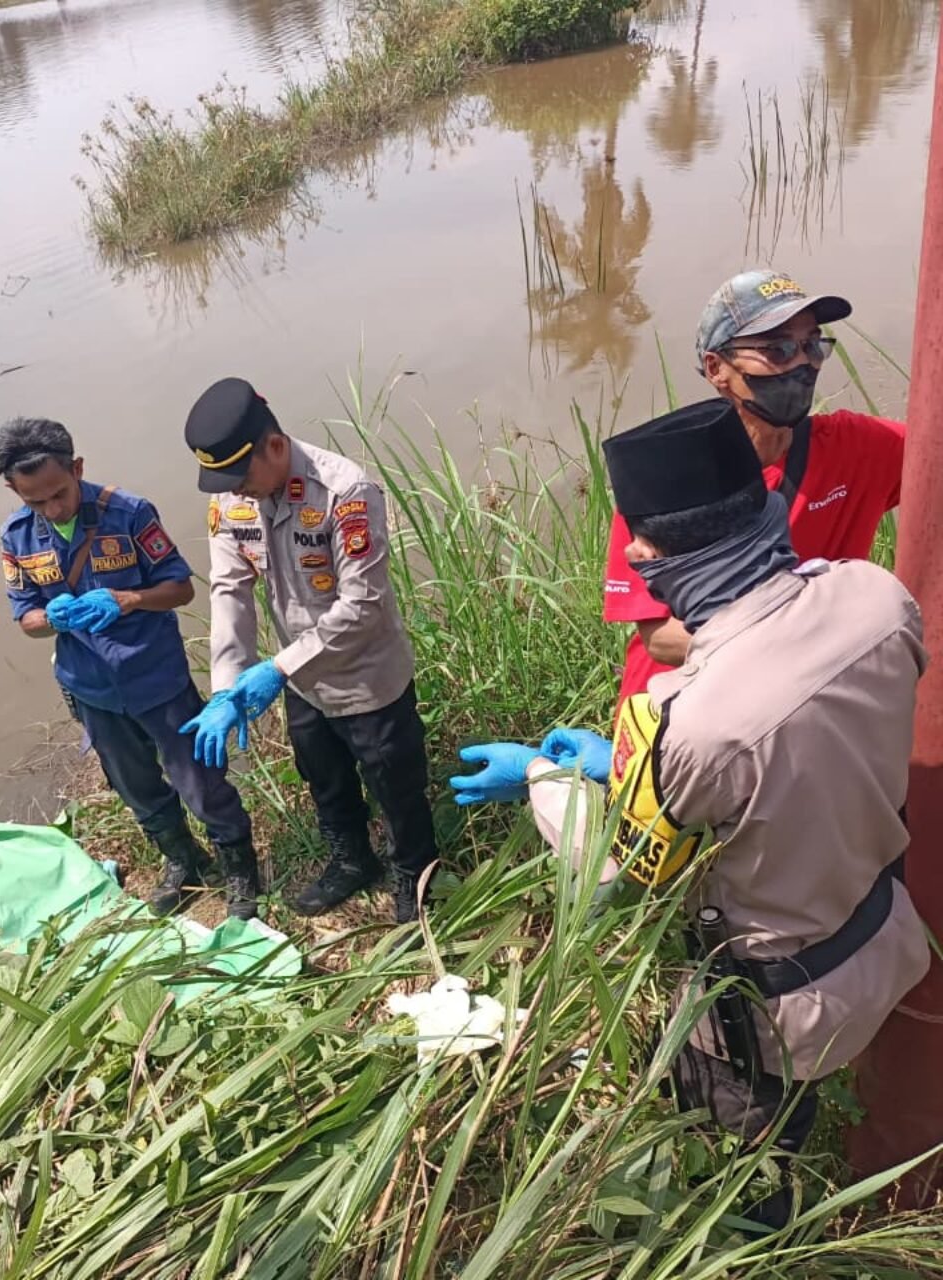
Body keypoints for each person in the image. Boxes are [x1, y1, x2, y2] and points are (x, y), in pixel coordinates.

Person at [453, 399, 928, 1225]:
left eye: (639, 540)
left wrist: (540, 777)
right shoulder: (879, 598)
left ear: (657, 552)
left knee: (744, 1175)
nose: (631, 551)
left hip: (780, 1014)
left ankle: (758, 1235)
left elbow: (616, 876)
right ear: (765, 508)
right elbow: (807, 742)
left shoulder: (696, 722)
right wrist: (637, 767)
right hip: (885, 938)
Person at [178, 377, 437, 924]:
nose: (236, 490)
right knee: (325, 776)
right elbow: (230, 591)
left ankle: (416, 876)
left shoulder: (345, 491)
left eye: (241, 476)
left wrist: (277, 667)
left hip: (368, 676)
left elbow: (363, 604)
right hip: (300, 678)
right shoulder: (231, 501)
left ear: (274, 446)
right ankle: (352, 861)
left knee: (396, 784)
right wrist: (226, 687)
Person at [0, 417, 261, 920]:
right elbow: (24, 616)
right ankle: (183, 862)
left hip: (155, 677)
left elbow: (181, 587)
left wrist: (129, 599)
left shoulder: (130, 514)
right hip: (90, 687)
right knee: (135, 785)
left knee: (200, 780)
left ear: (77, 468)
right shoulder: (17, 536)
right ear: (15, 491)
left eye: (60, 493)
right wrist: (47, 618)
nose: (53, 508)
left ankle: (241, 869)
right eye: (36, 501)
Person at [604, 270, 905, 709]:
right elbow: (660, 639)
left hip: (802, 703)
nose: (802, 363)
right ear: (716, 368)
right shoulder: (663, 473)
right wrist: (796, 652)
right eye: (778, 349)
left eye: (812, 345)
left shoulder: (855, 449)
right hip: (679, 714)